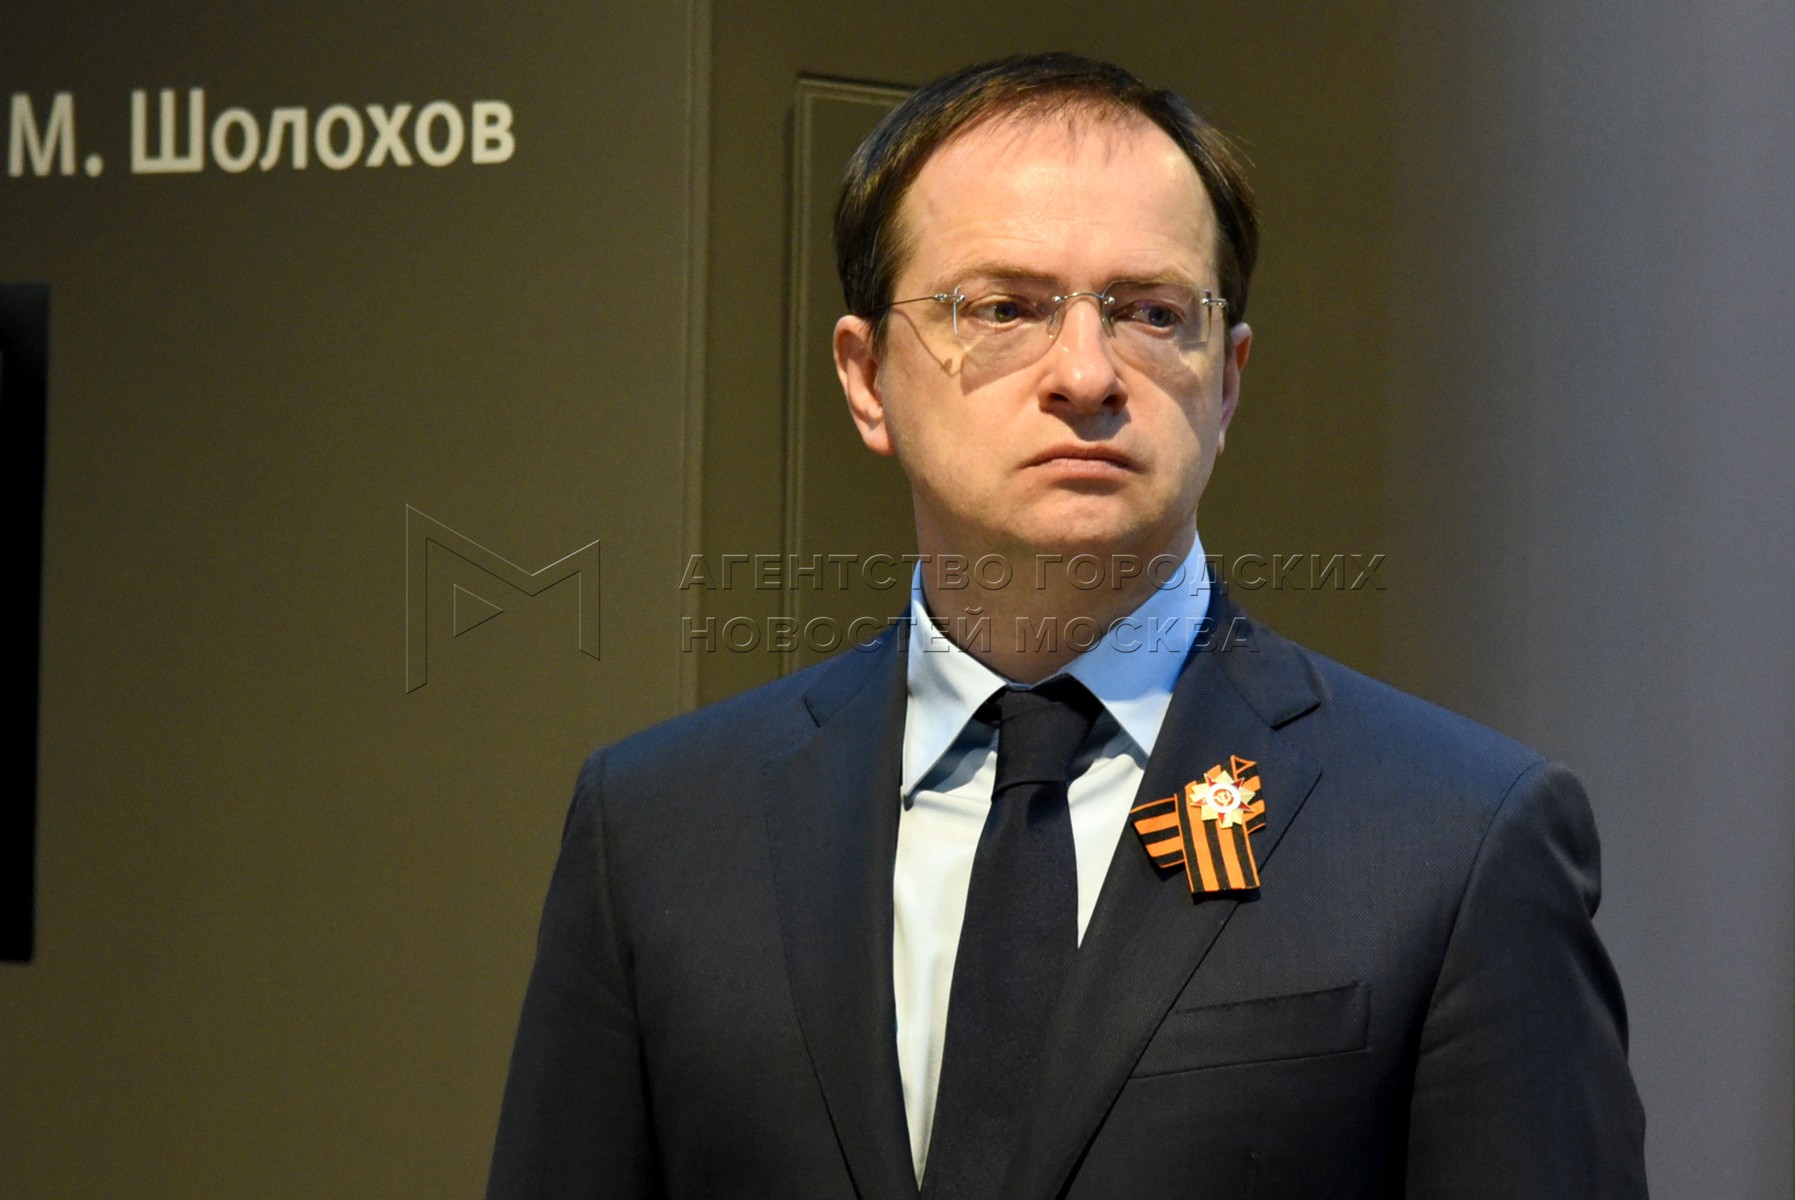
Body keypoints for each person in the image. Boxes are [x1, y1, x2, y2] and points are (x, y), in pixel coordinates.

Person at [486, 53, 1647, 1199]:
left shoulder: (1454, 839)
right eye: (1003, 308)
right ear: (865, 377)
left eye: (1151, 313)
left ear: (1226, 382)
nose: (1085, 373)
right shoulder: (662, 833)